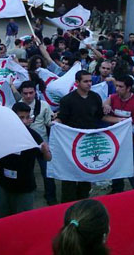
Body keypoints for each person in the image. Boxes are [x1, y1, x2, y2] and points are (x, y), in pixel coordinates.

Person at [0, 102, 51, 219]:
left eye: (27, 117)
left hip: (25, 189)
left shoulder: (33, 136)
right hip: (4, 187)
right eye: (21, 118)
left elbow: (48, 158)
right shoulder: (2, 134)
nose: (24, 121)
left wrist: (45, 151)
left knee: (22, 222)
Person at [56, 70, 104, 203]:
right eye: (86, 81)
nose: (89, 84)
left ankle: (83, 204)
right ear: (77, 83)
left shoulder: (95, 97)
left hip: (88, 144)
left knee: (85, 176)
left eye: (90, 81)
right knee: (69, 178)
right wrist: (56, 123)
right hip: (71, 144)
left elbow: (100, 117)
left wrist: (119, 121)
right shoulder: (67, 100)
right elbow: (62, 118)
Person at [104, 75, 134, 193]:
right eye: (116, 86)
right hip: (115, 141)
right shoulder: (112, 98)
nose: (117, 89)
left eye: (120, 86)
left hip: (132, 142)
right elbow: (104, 116)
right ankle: (116, 191)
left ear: (128, 88)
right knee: (116, 168)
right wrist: (106, 106)